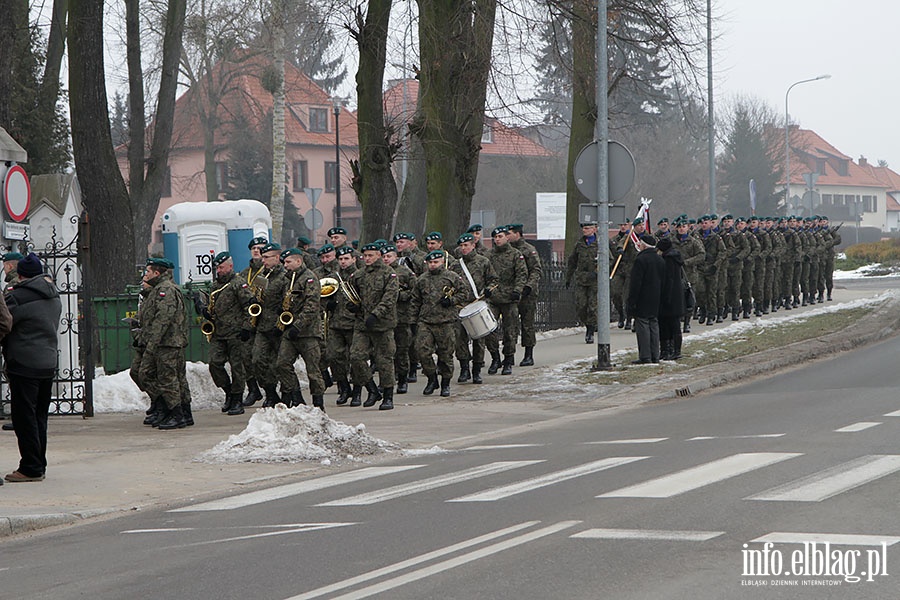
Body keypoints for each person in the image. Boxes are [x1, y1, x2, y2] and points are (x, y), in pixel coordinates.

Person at [2, 253, 60, 481]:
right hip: (47, 362)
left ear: (22, 274)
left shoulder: (18, 297)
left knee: (24, 418)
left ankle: (30, 467)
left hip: (24, 363)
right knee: (39, 417)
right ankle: (39, 463)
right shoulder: (54, 294)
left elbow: (4, 321)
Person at [197, 251, 254, 416]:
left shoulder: (238, 283)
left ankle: (237, 399)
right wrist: (205, 311)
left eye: (221, 267)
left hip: (236, 333)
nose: (219, 270)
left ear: (230, 266)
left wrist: (247, 327)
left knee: (238, 368)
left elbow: (250, 307)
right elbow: (213, 307)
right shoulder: (215, 285)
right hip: (219, 333)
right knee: (214, 364)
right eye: (217, 268)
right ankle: (228, 391)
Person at [137, 257, 190, 429]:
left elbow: (162, 320)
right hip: (167, 342)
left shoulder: (165, 290)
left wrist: (151, 344)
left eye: (148, 272)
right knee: (174, 378)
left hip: (167, 343)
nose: (146, 275)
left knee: (167, 378)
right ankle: (179, 412)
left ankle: (176, 414)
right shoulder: (159, 289)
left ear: (157, 273)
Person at [412, 249, 469, 396]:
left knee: (446, 355)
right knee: (422, 351)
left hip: (446, 321)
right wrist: (413, 320)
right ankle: (432, 379)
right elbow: (415, 300)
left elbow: (464, 293)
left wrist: (451, 301)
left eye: (435, 262)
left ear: (442, 262)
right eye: (430, 262)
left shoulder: (452, 277)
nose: (433, 265)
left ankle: (445, 383)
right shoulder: (422, 279)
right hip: (426, 321)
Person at [348, 243, 399, 410]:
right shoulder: (358, 275)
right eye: (365, 256)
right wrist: (352, 306)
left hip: (382, 324)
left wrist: (376, 314)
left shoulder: (389, 273)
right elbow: (352, 295)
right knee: (356, 356)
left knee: (384, 360)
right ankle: (372, 389)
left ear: (378, 255)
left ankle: (388, 396)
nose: (367, 259)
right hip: (362, 324)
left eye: (371, 255)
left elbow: (390, 298)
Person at [275, 248, 326, 410]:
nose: (285, 265)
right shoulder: (287, 279)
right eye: (284, 262)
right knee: (282, 364)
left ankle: (318, 404)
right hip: (289, 331)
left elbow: (311, 306)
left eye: (289, 262)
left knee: (313, 370)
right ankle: (296, 397)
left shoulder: (309, 278)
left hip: (308, 333)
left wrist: (298, 325)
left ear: (299, 261)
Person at [451, 233, 498, 383]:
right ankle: (464, 369)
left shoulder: (483, 262)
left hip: (478, 304)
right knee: (460, 339)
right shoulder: (455, 265)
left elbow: (494, 280)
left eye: (466, 245)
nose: (464, 248)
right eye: (462, 246)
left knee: (479, 339)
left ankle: (476, 370)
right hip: (460, 306)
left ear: (473, 246)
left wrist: (490, 289)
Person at [485, 226, 526, 375]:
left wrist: (518, 290)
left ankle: (508, 359)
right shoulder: (488, 256)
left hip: (509, 298)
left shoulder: (515, 254)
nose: (497, 239)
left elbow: (521, 274)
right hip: (493, 298)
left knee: (510, 331)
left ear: (507, 238)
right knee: (489, 329)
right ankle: (495, 357)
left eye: (500, 236)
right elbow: (484, 275)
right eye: (495, 237)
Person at [253, 243, 289, 407]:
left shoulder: (285, 277)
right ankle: (270, 392)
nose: (263, 261)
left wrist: (281, 324)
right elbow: (258, 299)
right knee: (258, 360)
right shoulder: (262, 276)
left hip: (279, 327)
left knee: (280, 363)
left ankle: (287, 394)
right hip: (262, 326)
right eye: (262, 257)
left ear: (277, 258)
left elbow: (288, 304)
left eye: (267, 257)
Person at [326, 246, 360, 404]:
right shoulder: (333, 277)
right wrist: (328, 304)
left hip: (354, 323)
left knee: (356, 359)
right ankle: (344, 388)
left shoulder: (359, 276)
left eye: (346, 258)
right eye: (340, 259)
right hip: (336, 324)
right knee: (334, 357)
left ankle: (358, 391)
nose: (343, 262)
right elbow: (323, 296)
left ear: (353, 259)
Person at [382, 244, 416, 394]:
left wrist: (400, 295)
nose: (386, 259)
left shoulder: (404, 272)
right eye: (383, 257)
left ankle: (403, 379)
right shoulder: (380, 273)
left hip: (401, 317)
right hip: (384, 318)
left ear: (395, 256)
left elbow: (415, 291)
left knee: (402, 349)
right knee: (385, 352)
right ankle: (387, 380)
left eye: (389, 256)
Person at [238, 236, 268, 406]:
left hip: (265, 321)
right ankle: (253, 389)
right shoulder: (244, 274)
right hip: (248, 322)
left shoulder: (268, 272)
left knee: (263, 359)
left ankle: (271, 389)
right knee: (246, 358)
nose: (257, 250)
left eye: (260, 247)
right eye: (254, 248)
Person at [506, 224, 541, 366]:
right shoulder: (508, 251)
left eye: (509, 234)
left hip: (527, 294)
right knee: (511, 325)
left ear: (517, 234)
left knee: (527, 324)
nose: (507, 237)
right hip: (511, 292)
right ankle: (510, 354)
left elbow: (536, 270)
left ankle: (528, 354)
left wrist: (529, 286)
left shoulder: (528, 250)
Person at [628, 235, 665, 364]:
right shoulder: (660, 260)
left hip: (643, 298)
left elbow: (636, 283)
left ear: (644, 245)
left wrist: (631, 302)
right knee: (654, 325)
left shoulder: (641, 260)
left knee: (642, 326)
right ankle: (655, 355)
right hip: (656, 297)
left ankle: (645, 356)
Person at [565, 220, 599, 344]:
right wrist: (568, 277)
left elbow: (609, 260)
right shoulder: (579, 244)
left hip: (595, 281)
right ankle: (588, 324)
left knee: (592, 306)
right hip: (581, 279)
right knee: (581, 306)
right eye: (584, 228)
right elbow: (572, 261)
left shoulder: (599, 243)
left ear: (594, 229)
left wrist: (597, 271)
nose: (585, 230)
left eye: (588, 228)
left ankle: (590, 330)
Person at [656, 238, 685, 361]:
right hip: (677, 296)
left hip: (669, 297)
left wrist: (665, 297)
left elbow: (668, 280)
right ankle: (671, 350)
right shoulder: (675, 257)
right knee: (673, 324)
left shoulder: (668, 259)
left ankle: (671, 350)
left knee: (669, 325)